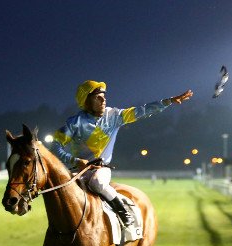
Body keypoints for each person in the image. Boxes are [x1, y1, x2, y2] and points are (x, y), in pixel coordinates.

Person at [52, 80, 192, 226]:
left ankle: (123, 211)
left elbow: (142, 111)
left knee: (97, 183)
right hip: (78, 171)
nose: (103, 100)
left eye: (103, 97)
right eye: (98, 98)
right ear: (86, 101)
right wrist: (75, 160)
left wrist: (168, 101)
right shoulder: (74, 122)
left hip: (100, 169)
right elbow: (55, 146)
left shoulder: (114, 116)